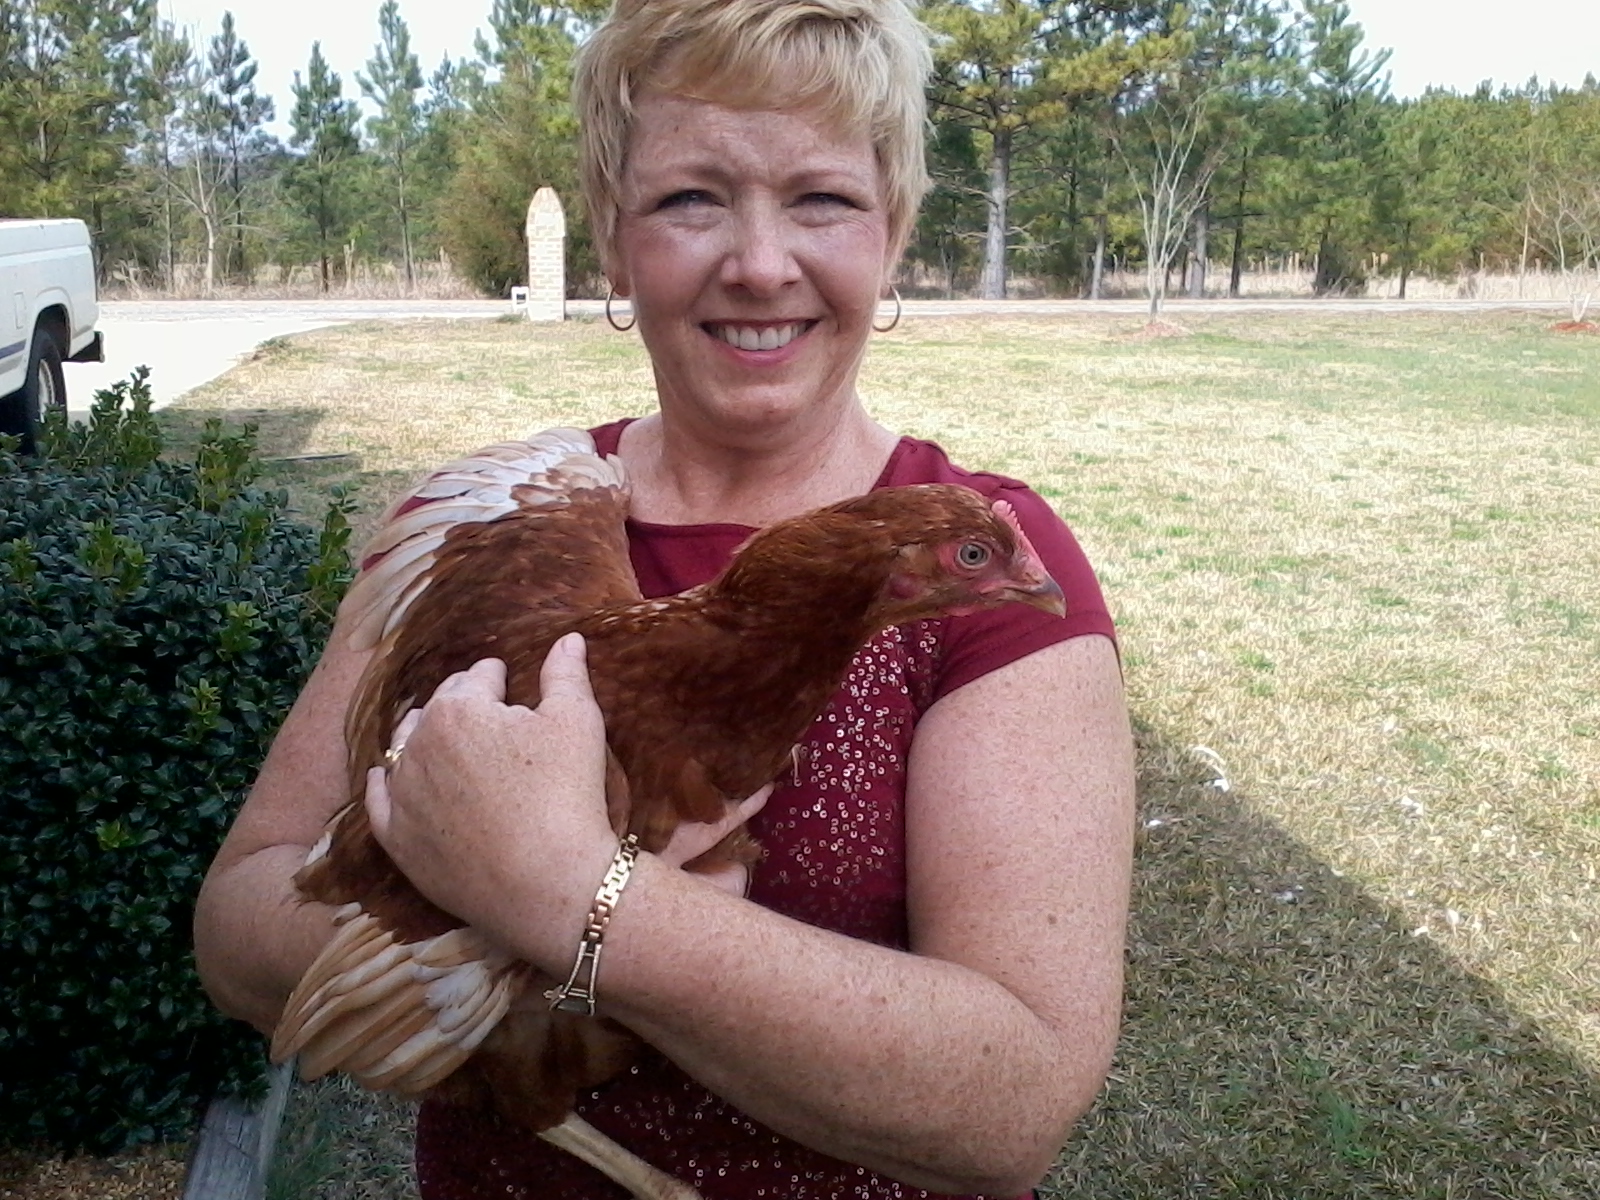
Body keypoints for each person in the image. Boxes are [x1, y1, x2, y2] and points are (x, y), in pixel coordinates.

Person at [192, 1, 1135, 1197]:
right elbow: (239, 921)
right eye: (692, 198)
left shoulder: (985, 560)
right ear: (612, 234)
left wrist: (561, 896)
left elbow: (1012, 1108)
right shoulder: (493, 521)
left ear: (891, 230)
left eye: (823, 199)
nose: (757, 261)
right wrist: (473, 947)